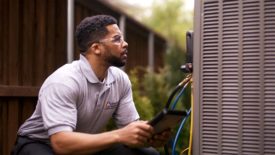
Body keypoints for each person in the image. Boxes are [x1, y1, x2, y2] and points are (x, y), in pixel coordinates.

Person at [11, 15, 171, 155]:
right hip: (39, 144)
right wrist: (119, 135)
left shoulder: (120, 80)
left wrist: (149, 137)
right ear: (96, 48)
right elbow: (60, 143)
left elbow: (130, 130)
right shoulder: (64, 82)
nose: (125, 44)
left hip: (85, 144)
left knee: (146, 154)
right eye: (117, 39)